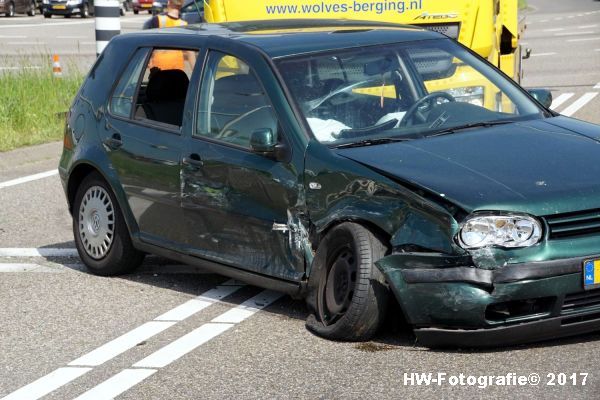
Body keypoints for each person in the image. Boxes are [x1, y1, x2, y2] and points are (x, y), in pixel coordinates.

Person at [143, 0, 194, 71]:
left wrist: (147, 61)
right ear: (181, 5)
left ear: (169, 2)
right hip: (177, 68)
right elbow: (190, 51)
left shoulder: (157, 20)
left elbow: (147, 43)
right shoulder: (184, 24)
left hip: (159, 67)